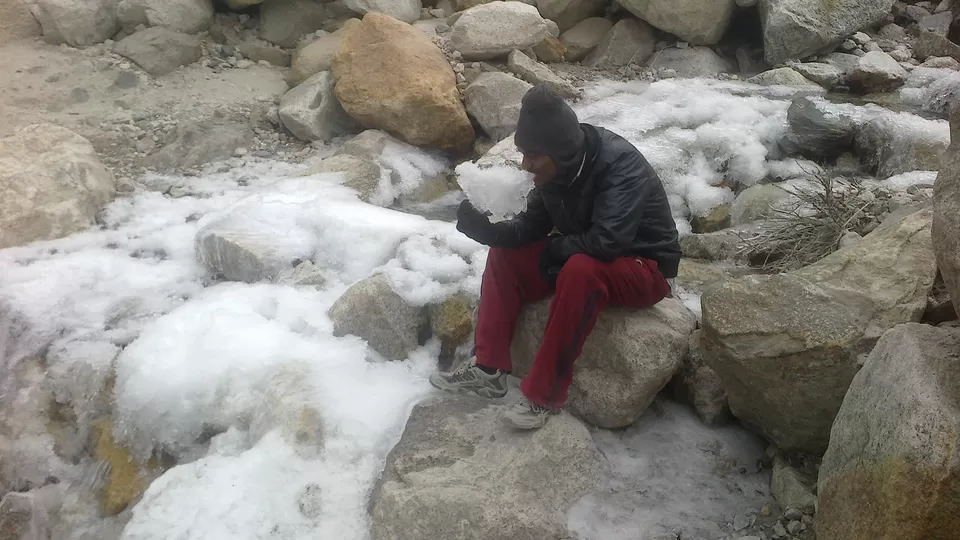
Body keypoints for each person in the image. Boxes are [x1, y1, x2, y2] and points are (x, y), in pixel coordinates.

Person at [429, 83, 682, 430]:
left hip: (646, 268)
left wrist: (555, 251)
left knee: (580, 269)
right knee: (506, 255)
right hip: (590, 255)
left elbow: (608, 242)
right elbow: (531, 226)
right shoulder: (555, 170)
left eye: (532, 156)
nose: (524, 164)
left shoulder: (619, 166)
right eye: (523, 153)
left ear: (559, 152)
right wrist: (489, 233)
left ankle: (543, 395)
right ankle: (488, 369)